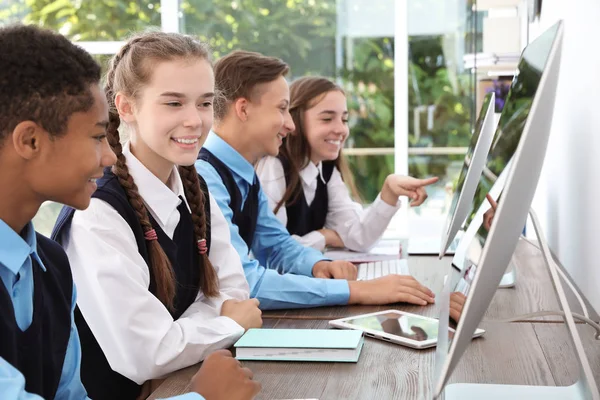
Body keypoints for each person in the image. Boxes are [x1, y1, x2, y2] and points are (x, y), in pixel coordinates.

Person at [0, 24, 259, 400]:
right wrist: (203, 392)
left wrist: (193, 337)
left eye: (204, 102)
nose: (107, 155)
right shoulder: (96, 214)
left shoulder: (49, 266)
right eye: (95, 137)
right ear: (30, 140)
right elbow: (148, 353)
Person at [196, 50, 435, 310]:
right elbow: (245, 283)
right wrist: (356, 290)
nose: (290, 124)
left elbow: (276, 246)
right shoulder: (204, 176)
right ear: (243, 109)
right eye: (282, 109)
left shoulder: (244, 174)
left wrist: (317, 264)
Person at [257, 76, 438, 252]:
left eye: (344, 120)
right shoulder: (274, 167)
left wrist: (389, 192)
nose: (341, 129)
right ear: (294, 122)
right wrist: (324, 237)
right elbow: (271, 251)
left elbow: (359, 237)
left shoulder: (326, 171)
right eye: (327, 119)